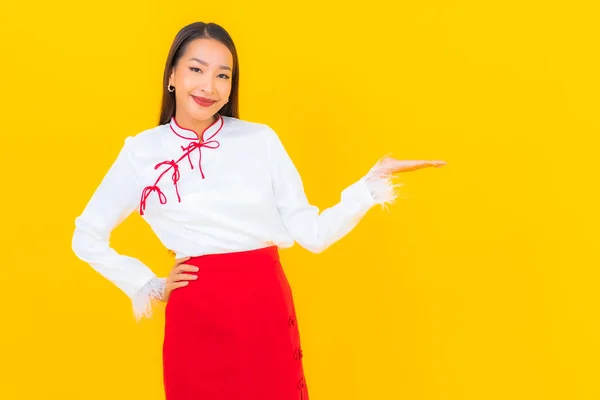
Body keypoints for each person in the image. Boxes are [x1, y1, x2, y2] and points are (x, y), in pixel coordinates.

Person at [71, 21, 446, 400]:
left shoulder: (259, 141)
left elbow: (312, 234)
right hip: (196, 313)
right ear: (172, 74)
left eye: (223, 75)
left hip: (263, 307)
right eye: (196, 70)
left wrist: (370, 185)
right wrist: (149, 285)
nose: (209, 86)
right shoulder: (141, 152)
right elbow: (87, 236)